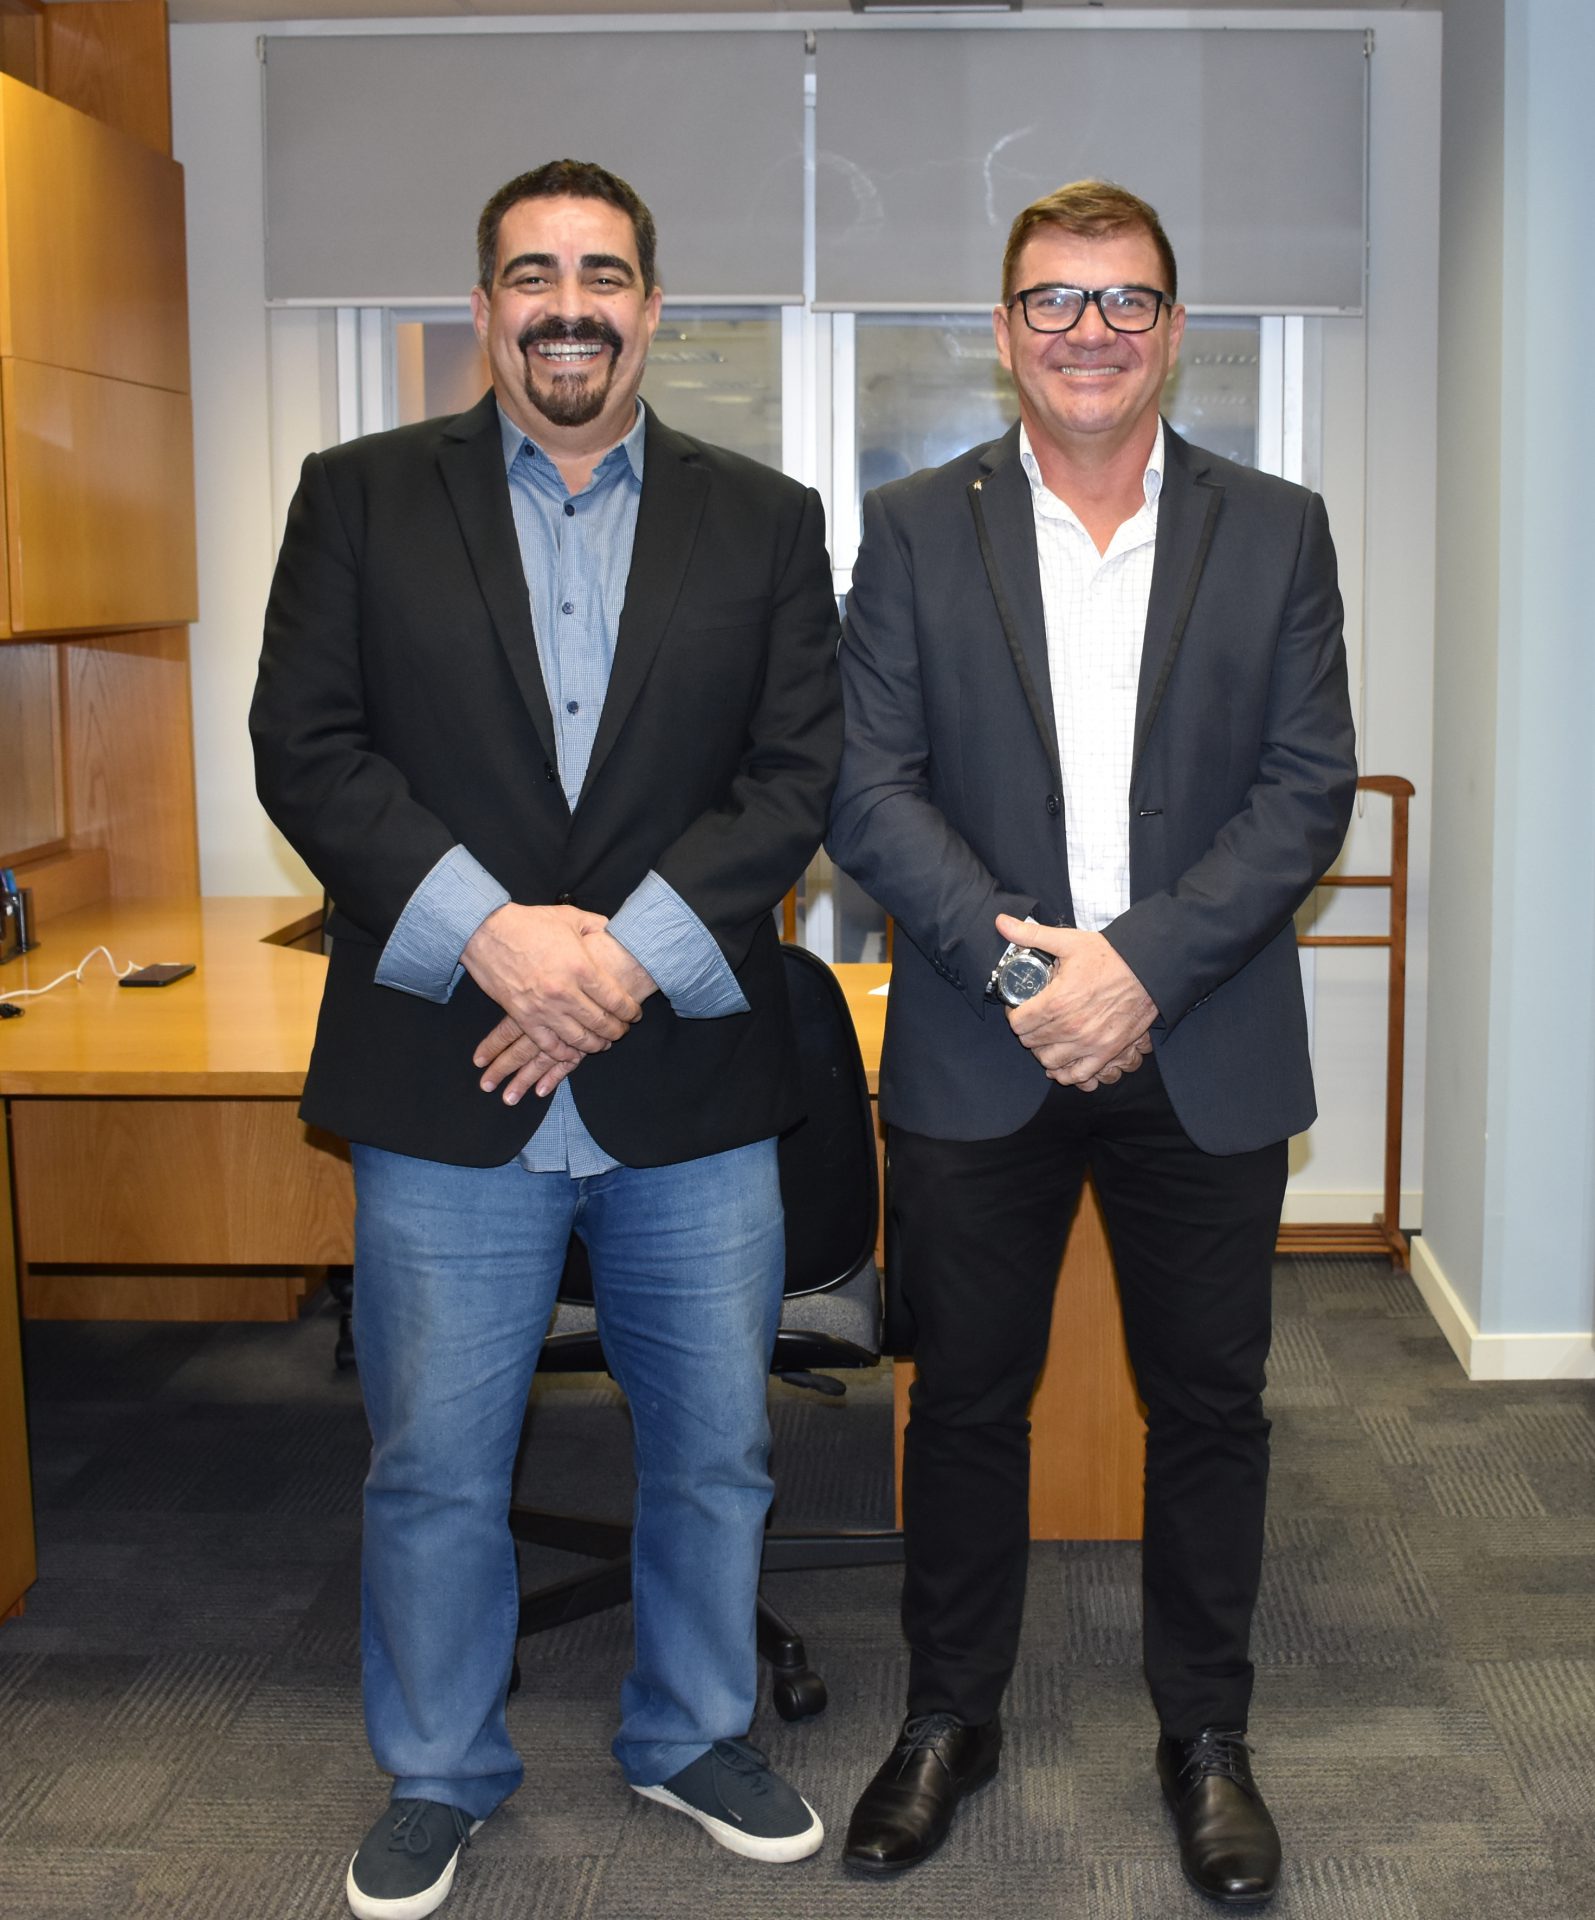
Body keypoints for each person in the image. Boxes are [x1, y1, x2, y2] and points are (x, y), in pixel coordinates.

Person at [251, 159, 841, 1919]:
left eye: (600, 274)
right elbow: (308, 749)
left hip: (688, 1081)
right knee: (435, 1462)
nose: (566, 304)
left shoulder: (768, 518)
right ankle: (440, 1768)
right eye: (531, 273)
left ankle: (691, 1732)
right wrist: (496, 939)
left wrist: (618, 963)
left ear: (651, 307)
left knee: (717, 1450)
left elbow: (793, 780)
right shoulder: (358, 497)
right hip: (449, 1067)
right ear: (485, 305)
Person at [827, 179, 1356, 1905]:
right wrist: (1027, 980)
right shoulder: (914, 528)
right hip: (984, 1051)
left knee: (1210, 1408)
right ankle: (948, 1721)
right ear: (1004, 332)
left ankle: (1207, 1735)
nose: (1090, 331)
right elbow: (869, 790)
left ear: (1174, 332)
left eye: (1126, 300)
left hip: (1205, 1042)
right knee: (966, 1402)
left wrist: (1138, 972)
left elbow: (1305, 793)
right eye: (1054, 300)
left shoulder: (1276, 529)